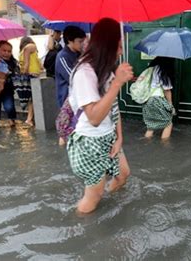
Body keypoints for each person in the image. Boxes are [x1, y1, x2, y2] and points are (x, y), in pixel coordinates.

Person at [67, 17, 133, 214]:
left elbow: (113, 107)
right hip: (89, 142)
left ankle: (110, 208)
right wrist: (117, 84)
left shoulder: (105, 70)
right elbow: (94, 118)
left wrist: (119, 137)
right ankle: (81, 231)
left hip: (108, 136)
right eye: (119, 46)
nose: (121, 51)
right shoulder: (84, 73)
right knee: (92, 199)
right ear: (107, 45)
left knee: (123, 175)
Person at [142, 57, 176, 139]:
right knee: (168, 124)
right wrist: (171, 105)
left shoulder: (151, 69)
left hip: (148, 100)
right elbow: (167, 90)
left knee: (151, 126)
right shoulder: (163, 71)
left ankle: (146, 143)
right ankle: (164, 146)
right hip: (157, 100)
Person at [55, 25, 86, 108]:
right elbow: (72, 77)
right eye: (80, 41)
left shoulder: (79, 54)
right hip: (68, 101)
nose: (82, 44)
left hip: (79, 99)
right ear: (70, 41)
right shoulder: (62, 56)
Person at [16, 36, 42, 126]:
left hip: (29, 74)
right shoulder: (30, 48)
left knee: (31, 98)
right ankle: (29, 119)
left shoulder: (25, 50)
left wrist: (24, 72)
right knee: (31, 98)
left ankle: (29, 119)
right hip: (32, 74)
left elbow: (26, 64)